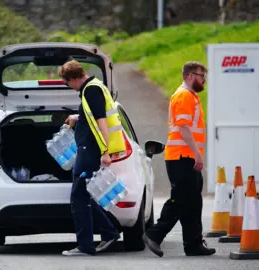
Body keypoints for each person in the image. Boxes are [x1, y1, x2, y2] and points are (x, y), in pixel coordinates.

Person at [142, 61, 216, 257]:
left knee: (193, 201)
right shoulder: (184, 96)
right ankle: (154, 235)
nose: (204, 80)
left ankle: (193, 244)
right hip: (182, 157)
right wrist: (197, 154)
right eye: (201, 76)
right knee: (182, 199)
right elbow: (183, 128)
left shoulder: (190, 96)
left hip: (186, 157)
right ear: (190, 76)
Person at [58, 60, 126, 256]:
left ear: (74, 78)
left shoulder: (91, 90)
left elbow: (101, 121)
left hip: (91, 150)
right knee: (84, 194)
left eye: (67, 83)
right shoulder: (95, 87)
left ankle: (85, 246)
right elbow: (94, 114)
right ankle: (109, 232)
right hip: (89, 149)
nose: (68, 87)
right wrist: (77, 117)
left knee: (78, 197)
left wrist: (104, 151)